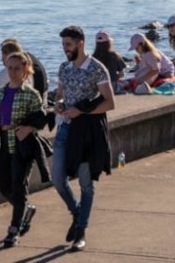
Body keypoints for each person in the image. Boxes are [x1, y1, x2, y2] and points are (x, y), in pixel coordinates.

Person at [52, 25, 115, 251]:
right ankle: (77, 213)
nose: (64, 49)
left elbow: (109, 103)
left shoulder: (97, 69)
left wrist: (81, 111)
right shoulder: (64, 68)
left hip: (88, 132)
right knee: (57, 179)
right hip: (65, 129)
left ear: (81, 43)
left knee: (86, 184)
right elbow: (60, 95)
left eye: (68, 44)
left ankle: (81, 231)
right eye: (63, 45)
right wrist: (59, 104)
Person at [0, 52, 46, 248]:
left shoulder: (31, 94)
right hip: (1, 145)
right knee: (4, 185)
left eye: (17, 68)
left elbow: (41, 119)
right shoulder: (0, 94)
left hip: (21, 147)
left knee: (18, 186)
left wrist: (29, 128)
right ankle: (25, 209)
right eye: (10, 68)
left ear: (26, 70)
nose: (14, 72)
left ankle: (14, 230)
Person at [0, 38, 49, 107]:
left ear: (9, 56)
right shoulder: (27, 67)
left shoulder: (5, 72)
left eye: (3, 57)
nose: (1, 60)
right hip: (38, 103)